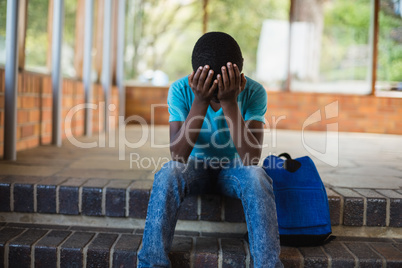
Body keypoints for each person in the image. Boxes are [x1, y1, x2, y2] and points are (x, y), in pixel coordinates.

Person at [138, 32, 283, 268]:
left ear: (239, 76)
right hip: (195, 167)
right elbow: (178, 155)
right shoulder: (180, 90)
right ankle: (151, 264)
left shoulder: (254, 92)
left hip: (234, 169)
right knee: (168, 172)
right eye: (211, 88)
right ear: (195, 76)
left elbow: (251, 158)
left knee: (258, 176)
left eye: (223, 88)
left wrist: (229, 102)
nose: (217, 95)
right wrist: (200, 100)